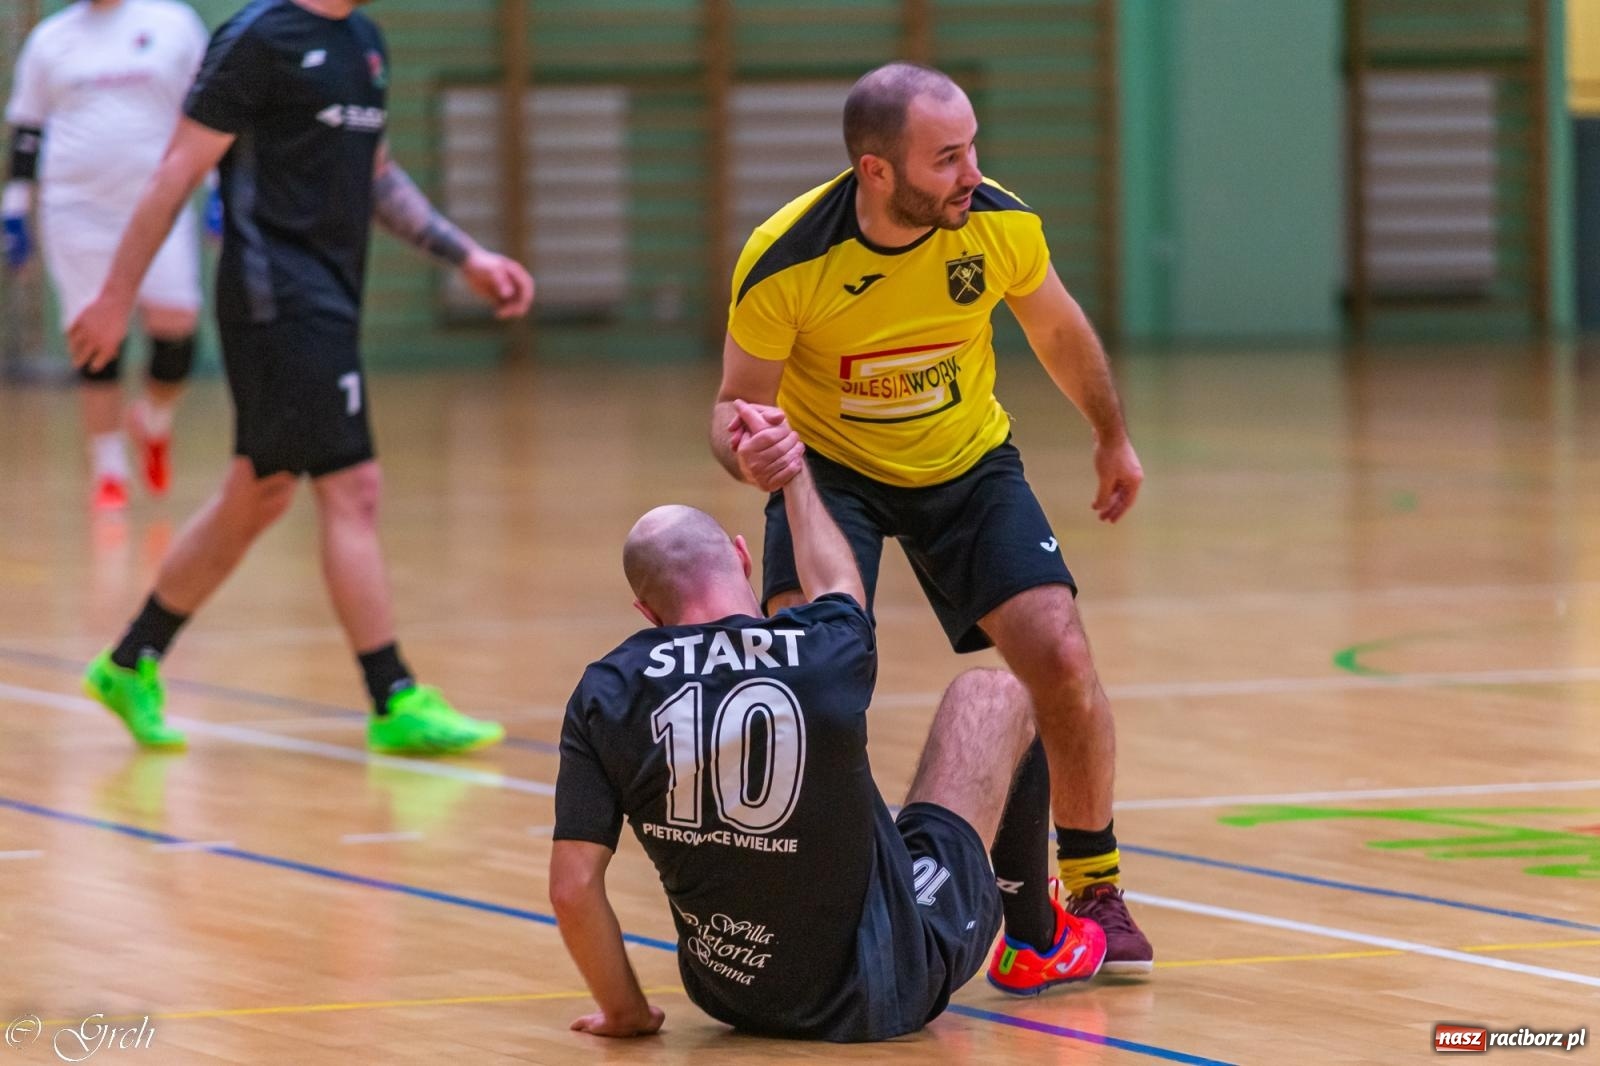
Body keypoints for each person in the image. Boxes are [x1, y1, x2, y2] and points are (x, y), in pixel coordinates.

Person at [709, 62, 1152, 980]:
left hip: (965, 462)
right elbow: (733, 408)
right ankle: (819, 895)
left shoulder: (994, 220)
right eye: (947, 157)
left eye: (973, 148)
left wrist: (1111, 436)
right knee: (807, 678)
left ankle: (1091, 887)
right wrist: (746, 451)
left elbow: (1058, 329)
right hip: (833, 474)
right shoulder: (788, 257)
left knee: (1060, 654)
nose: (971, 171)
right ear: (877, 171)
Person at [549, 401, 1105, 1042]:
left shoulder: (607, 690)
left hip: (732, 993)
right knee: (997, 693)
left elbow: (573, 887)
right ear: (742, 557)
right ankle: (1037, 938)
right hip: (890, 982)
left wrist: (626, 1013)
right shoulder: (822, 649)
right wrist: (793, 476)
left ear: (646, 610)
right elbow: (837, 579)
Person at [67, 0, 535, 754]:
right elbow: (177, 171)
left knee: (259, 493)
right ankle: (393, 696)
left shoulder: (365, 42)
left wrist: (466, 256)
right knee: (353, 486)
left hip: (331, 295)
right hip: (273, 298)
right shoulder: (258, 38)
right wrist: (117, 297)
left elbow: (377, 174)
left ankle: (130, 661)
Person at [3, 0, 210, 510]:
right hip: (76, 210)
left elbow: (209, 114)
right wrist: (14, 210)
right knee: (94, 336)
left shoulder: (174, 23)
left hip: (158, 205)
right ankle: (109, 467)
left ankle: (154, 421)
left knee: (177, 327)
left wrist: (222, 191)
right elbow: (28, 131)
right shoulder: (52, 38)